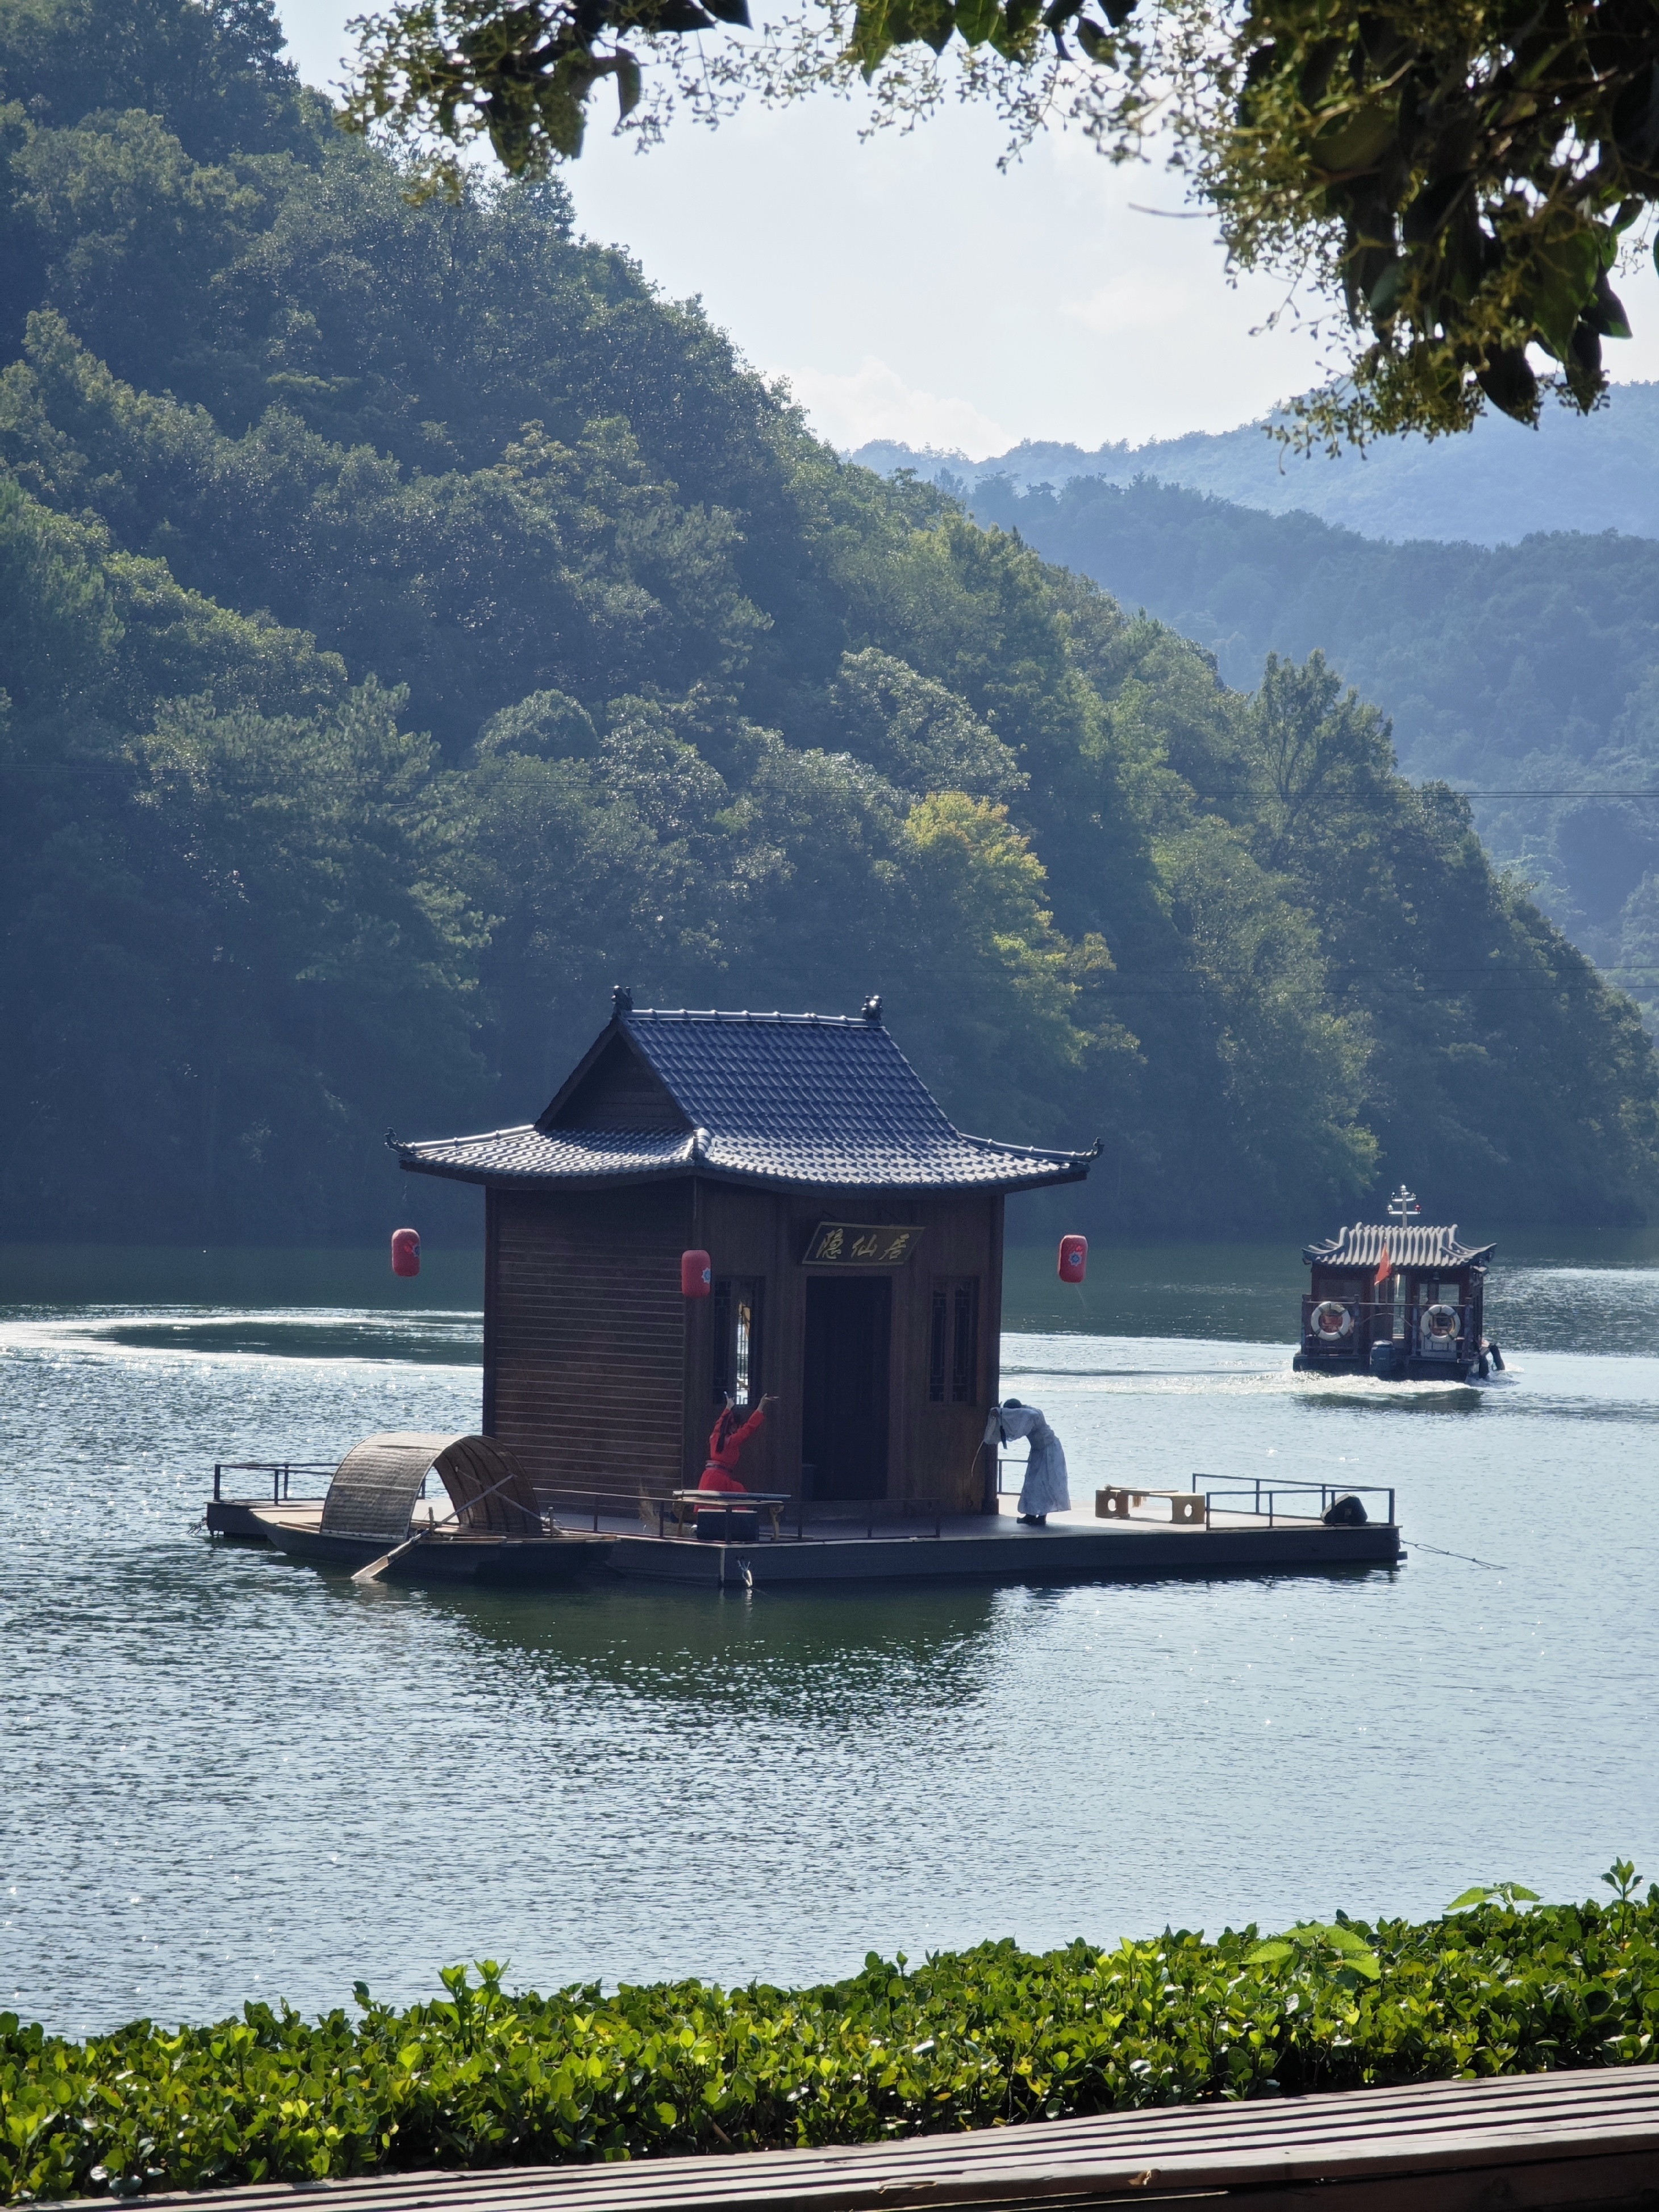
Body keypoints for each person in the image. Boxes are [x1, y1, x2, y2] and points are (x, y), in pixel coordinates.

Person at [985, 1397, 1069, 1524]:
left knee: (1043, 1483)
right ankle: (1030, 1515)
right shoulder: (1025, 1415)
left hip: (1050, 1450)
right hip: (1038, 1450)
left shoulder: (1032, 1414)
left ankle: (1041, 1517)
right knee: (1032, 1482)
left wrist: (1002, 1413)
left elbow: (1018, 1427)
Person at [698, 1394, 778, 1493]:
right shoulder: (732, 1441)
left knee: (706, 1506)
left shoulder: (714, 1436)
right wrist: (761, 1406)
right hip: (721, 1480)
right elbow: (749, 1427)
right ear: (734, 1427)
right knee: (740, 1495)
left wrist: (728, 1407)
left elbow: (720, 1423)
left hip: (707, 1478)